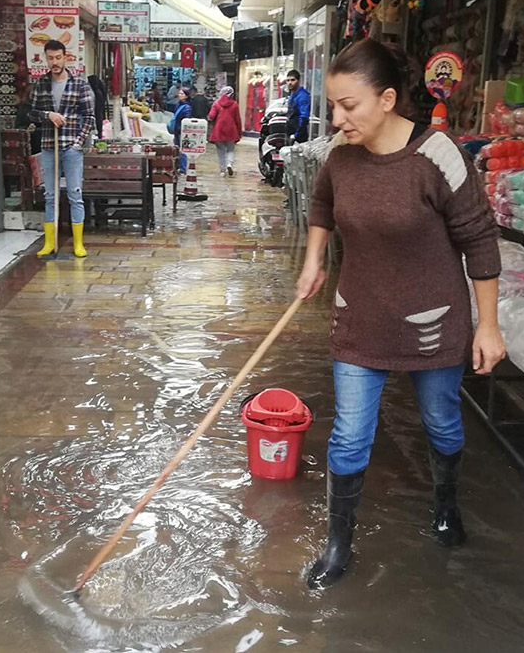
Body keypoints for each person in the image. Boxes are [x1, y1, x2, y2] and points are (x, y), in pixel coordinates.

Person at [294, 39, 506, 590]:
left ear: (387, 99)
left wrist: (488, 324)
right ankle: (339, 543)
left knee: (440, 421)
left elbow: (479, 239)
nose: (338, 119)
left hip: (433, 320)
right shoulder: (340, 160)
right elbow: (321, 205)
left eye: (349, 106)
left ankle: (445, 502)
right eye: (334, 105)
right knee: (348, 436)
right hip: (360, 316)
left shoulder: (438, 155)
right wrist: (315, 260)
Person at [28, 40, 95, 258]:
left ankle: (78, 243)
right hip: (49, 146)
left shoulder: (80, 84)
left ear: (65, 57)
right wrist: (48, 115)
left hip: (71, 147)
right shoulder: (41, 84)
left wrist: (78, 142)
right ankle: (49, 242)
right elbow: (32, 113)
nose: (54, 62)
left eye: (58, 58)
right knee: (50, 195)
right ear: (46, 58)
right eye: (51, 58)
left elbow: (89, 116)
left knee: (75, 194)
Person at [208, 86, 242, 176]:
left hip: (218, 130)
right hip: (231, 130)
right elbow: (237, 119)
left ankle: (222, 170)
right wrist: (239, 132)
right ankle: (229, 164)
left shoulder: (216, 103)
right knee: (231, 149)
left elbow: (211, 116)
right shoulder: (234, 104)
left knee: (220, 150)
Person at [167, 87, 191, 173]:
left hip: (181, 131)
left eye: (182, 94)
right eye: (179, 93)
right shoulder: (178, 105)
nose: (179, 95)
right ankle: (177, 166)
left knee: (182, 149)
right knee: (177, 148)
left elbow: (187, 119)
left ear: (186, 96)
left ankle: (183, 168)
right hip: (177, 130)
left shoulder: (187, 107)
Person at [285, 69, 311, 144]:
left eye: (293, 80)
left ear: (299, 81)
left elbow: (304, 117)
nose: (290, 83)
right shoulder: (293, 95)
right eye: (288, 80)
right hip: (291, 132)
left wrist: (296, 135)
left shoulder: (302, 96)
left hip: (298, 135)